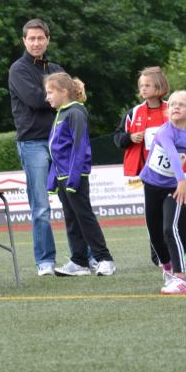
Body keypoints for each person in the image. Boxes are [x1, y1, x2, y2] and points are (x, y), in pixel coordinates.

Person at [114, 66, 186, 265]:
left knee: (180, 213)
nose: (143, 89)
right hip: (150, 174)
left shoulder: (173, 107)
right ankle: (160, 255)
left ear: (159, 87)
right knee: (154, 216)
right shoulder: (134, 113)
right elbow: (117, 137)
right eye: (141, 85)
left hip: (174, 174)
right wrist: (129, 137)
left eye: (148, 85)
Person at [141, 91, 186, 294]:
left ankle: (181, 279)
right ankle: (167, 268)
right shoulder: (164, 132)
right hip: (151, 186)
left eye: (181, 104)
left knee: (169, 229)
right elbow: (172, 155)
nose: (175, 107)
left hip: (173, 189)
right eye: (172, 103)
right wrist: (182, 179)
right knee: (155, 234)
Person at [44, 72, 116, 276]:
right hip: (63, 177)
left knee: (84, 217)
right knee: (72, 219)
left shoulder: (75, 112)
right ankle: (79, 261)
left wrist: (74, 177)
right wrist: (53, 180)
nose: (47, 97)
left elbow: (80, 146)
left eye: (50, 92)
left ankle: (105, 259)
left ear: (63, 91)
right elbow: (56, 150)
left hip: (74, 177)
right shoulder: (61, 113)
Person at [8, 18, 64, 276]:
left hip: (60, 141)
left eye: (40, 38)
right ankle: (45, 262)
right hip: (33, 143)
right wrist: (56, 96)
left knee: (73, 201)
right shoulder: (18, 69)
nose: (36, 42)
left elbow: (71, 98)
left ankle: (84, 257)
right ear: (24, 40)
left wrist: (57, 97)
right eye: (31, 38)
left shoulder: (56, 69)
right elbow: (34, 99)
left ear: (48, 40)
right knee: (41, 207)